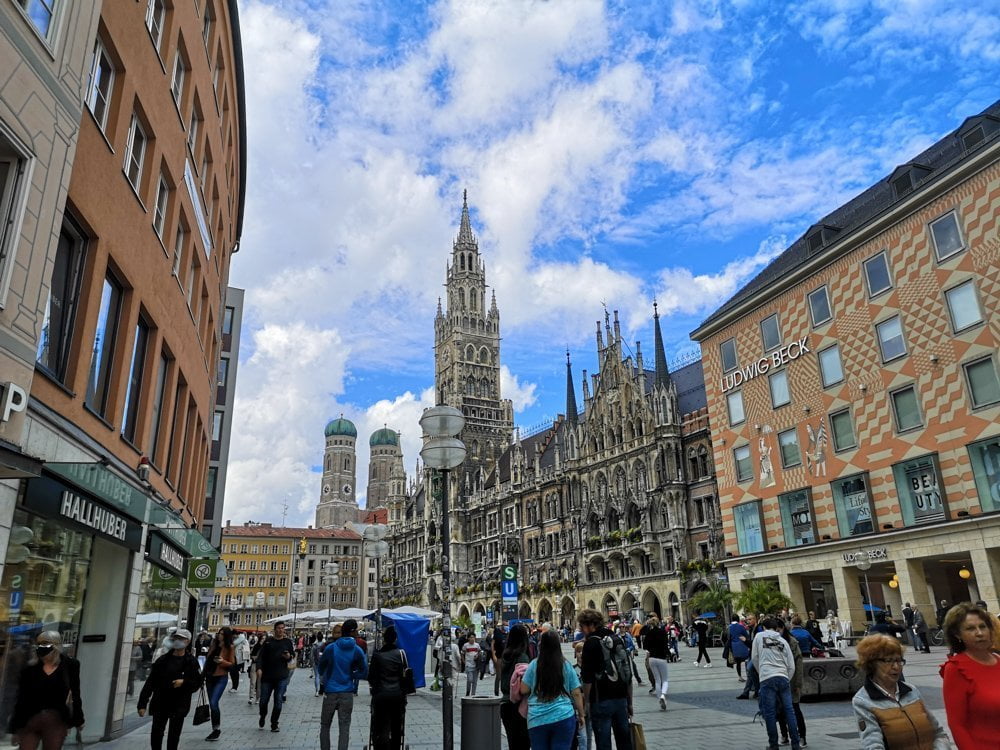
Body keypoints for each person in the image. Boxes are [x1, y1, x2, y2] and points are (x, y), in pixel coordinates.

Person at [852, 634, 948, 749]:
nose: (896, 667)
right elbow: (873, 745)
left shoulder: (912, 691)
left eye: (899, 660)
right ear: (872, 664)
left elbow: (938, 733)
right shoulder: (863, 701)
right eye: (889, 661)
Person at [9, 631, 84, 750]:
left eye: (44, 644)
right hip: (30, 719)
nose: (40, 647)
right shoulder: (30, 668)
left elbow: (75, 693)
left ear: (55, 645)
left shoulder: (70, 665)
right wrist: (15, 729)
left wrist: (79, 719)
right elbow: (21, 698)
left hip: (56, 720)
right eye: (38, 644)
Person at [940, 602, 1000, 749]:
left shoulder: (998, 661)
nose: (979, 633)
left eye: (982, 626)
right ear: (957, 634)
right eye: (970, 628)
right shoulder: (956, 669)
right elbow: (957, 724)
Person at [137, 628, 202, 750]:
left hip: (179, 704)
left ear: (187, 642)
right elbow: (150, 682)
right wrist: (142, 703)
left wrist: (184, 682)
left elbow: (197, 682)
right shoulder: (163, 660)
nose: (177, 641)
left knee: (174, 734)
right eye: (176, 638)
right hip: (161, 702)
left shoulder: (191, 662)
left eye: (181, 639)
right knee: (156, 733)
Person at [519, 630, 585, 750]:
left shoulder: (534, 665)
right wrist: (581, 714)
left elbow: (523, 689)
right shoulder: (565, 665)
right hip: (563, 716)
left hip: (537, 718)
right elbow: (576, 693)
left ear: (541, 645)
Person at [578, 608, 633, 750]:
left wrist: (587, 702)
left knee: (603, 743)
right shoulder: (616, 638)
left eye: (582, 626)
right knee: (625, 742)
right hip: (621, 699)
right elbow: (627, 673)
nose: (581, 630)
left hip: (600, 700)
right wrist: (630, 702)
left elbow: (587, 678)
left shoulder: (591, 643)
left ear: (590, 625)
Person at [751, 617, 800, 750]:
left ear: (764, 627)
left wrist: (762, 672)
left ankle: (773, 744)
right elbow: (791, 665)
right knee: (789, 711)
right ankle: (796, 744)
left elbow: (754, 657)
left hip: (767, 677)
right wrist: (786, 678)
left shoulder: (759, 636)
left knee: (770, 712)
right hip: (783, 677)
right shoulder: (783, 640)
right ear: (776, 628)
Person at [319, 618, 368, 750]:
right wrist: (353, 675)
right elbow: (364, 671)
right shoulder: (357, 650)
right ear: (352, 632)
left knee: (325, 725)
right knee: (344, 726)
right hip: (347, 691)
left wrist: (325, 678)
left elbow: (321, 666)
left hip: (330, 691)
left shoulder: (331, 648)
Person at [368, 626, 407, 750]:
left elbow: (371, 677)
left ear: (384, 639)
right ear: (395, 639)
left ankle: (380, 745)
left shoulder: (377, 655)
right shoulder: (401, 654)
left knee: (379, 723)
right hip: (397, 695)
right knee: (396, 724)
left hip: (380, 695)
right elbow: (406, 675)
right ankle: (395, 746)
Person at [256, 621, 295, 732]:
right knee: (263, 701)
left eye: (282, 628)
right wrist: (259, 668)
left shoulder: (287, 642)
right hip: (267, 677)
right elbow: (260, 657)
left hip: (281, 676)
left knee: (278, 701)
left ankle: (274, 723)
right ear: (274, 629)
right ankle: (263, 715)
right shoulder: (268, 641)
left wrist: (288, 656)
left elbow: (292, 655)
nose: (281, 630)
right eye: (278, 628)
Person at [499, 624, 531, 750]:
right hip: (519, 706)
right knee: (523, 745)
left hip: (505, 704)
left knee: (513, 744)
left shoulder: (505, 655)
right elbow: (525, 685)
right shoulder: (522, 657)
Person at [776, 621, 807, 748]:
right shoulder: (772, 642)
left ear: (783, 628)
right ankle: (784, 735)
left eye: (778, 630)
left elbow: (799, 663)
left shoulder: (792, 642)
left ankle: (802, 737)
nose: (776, 633)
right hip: (779, 679)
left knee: (795, 708)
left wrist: (798, 683)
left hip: (792, 680)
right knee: (780, 710)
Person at [202, 626, 235, 741]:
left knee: (214, 702)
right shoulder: (214, 644)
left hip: (221, 677)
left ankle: (217, 729)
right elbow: (208, 659)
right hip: (210, 676)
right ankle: (214, 729)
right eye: (219, 633)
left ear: (226, 636)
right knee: (212, 705)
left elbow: (231, 663)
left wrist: (222, 662)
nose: (219, 635)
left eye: (222, 634)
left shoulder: (230, 647)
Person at [643, 616, 669, 710]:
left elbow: (644, 646)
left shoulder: (649, 633)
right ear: (658, 623)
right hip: (661, 657)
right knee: (665, 679)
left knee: (657, 680)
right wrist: (668, 654)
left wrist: (650, 649)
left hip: (652, 658)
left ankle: (660, 699)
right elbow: (666, 643)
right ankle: (663, 695)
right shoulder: (662, 632)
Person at [737, 614, 761, 699]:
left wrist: (745, 640)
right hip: (752, 653)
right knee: (750, 673)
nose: (748, 621)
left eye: (750, 619)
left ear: (755, 619)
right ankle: (746, 692)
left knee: (750, 669)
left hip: (757, 654)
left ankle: (757, 690)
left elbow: (755, 644)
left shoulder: (758, 629)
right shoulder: (751, 629)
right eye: (747, 620)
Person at [727, 615, 751, 681]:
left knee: (738, 663)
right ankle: (749, 676)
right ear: (738, 620)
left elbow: (728, 637)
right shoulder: (741, 627)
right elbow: (746, 635)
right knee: (747, 660)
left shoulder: (729, 627)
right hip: (743, 646)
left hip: (734, 647)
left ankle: (740, 677)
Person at [491, 623, 506, 696]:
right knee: (499, 675)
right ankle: (496, 692)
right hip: (498, 656)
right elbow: (492, 644)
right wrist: (493, 655)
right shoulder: (497, 632)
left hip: (505, 657)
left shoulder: (506, 633)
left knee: (504, 676)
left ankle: (503, 691)